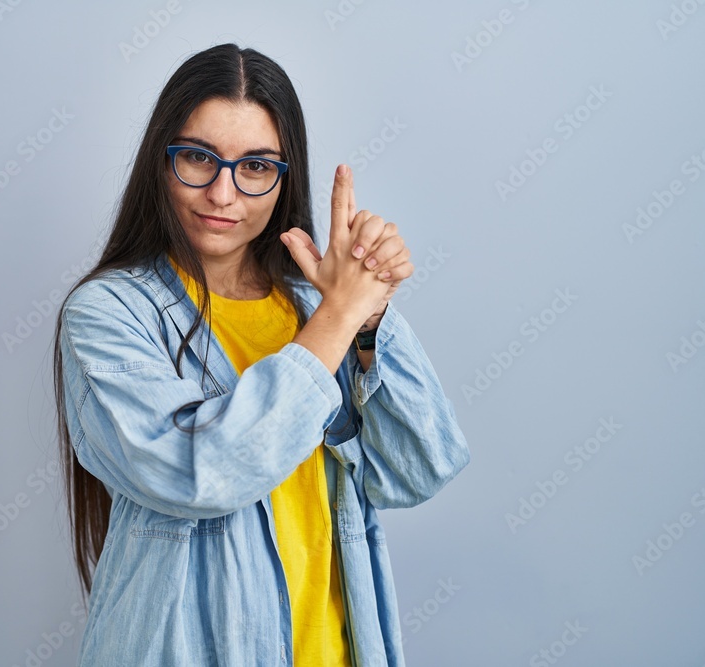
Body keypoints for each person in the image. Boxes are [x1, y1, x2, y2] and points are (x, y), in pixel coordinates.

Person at [51, 42, 470, 666]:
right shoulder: (109, 315)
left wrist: (369, 316)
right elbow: (194, 473)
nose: (224, 193)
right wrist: (338, 317)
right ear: (159, 162)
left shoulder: (314, 307)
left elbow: (419, 466)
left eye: (255, 166)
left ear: (285, 176)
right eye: (198, 158)